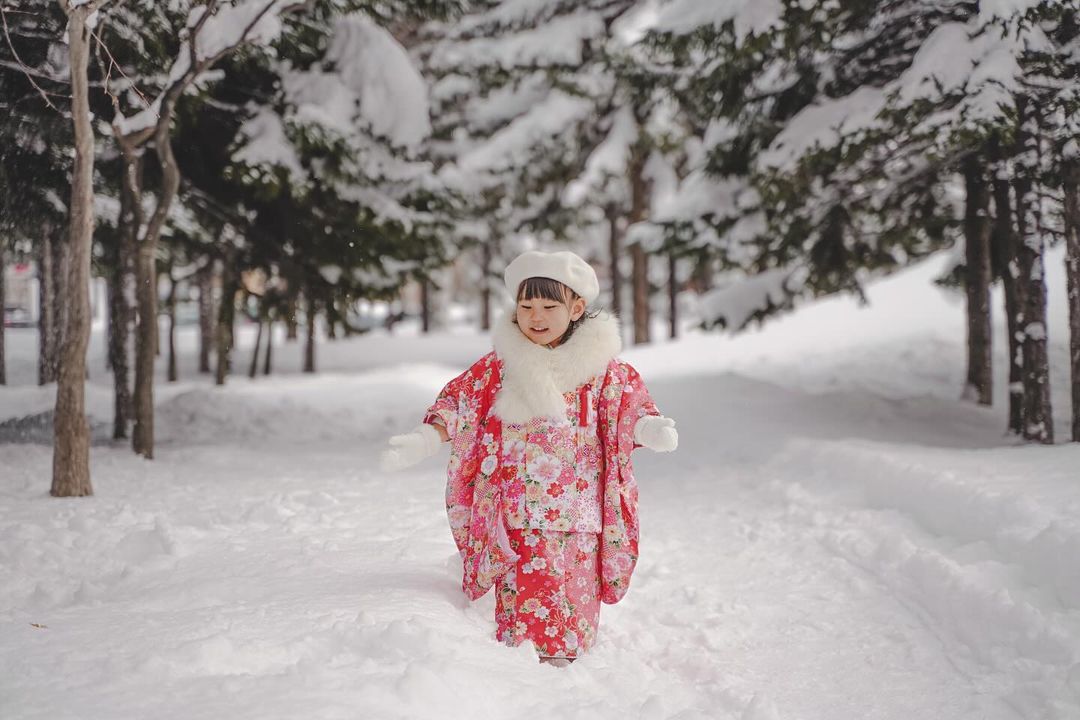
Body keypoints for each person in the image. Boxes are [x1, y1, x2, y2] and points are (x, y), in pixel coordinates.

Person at [380, 250, 678, 666]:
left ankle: (567, 655)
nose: (536, 317)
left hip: (579, 509)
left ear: (576, 308)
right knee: (522, 584)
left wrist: (648, 428)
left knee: (571, 586)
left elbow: (627, 409)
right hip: (515, 505)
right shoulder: (499, 368)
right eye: (526, 306)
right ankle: (518, 658)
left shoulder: (605, 371)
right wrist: (427, 437)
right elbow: (461, 403)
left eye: (549, 307)